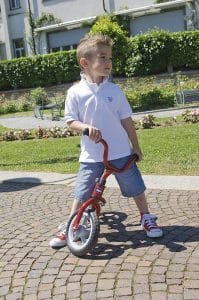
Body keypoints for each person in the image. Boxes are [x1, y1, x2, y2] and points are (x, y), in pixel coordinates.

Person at [50, 34, 163, 248]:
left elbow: (127, 121)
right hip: (92, 155)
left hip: (120, 152)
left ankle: (146, 217)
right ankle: (72, 225)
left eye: (110, 58)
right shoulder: (75, 92)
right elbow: (70, 121)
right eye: (103, 58)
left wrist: (136, 147)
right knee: (82, 192)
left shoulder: (114, 91)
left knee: (135, 187)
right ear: (85, 63)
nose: (109, 63)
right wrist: (86, 128)